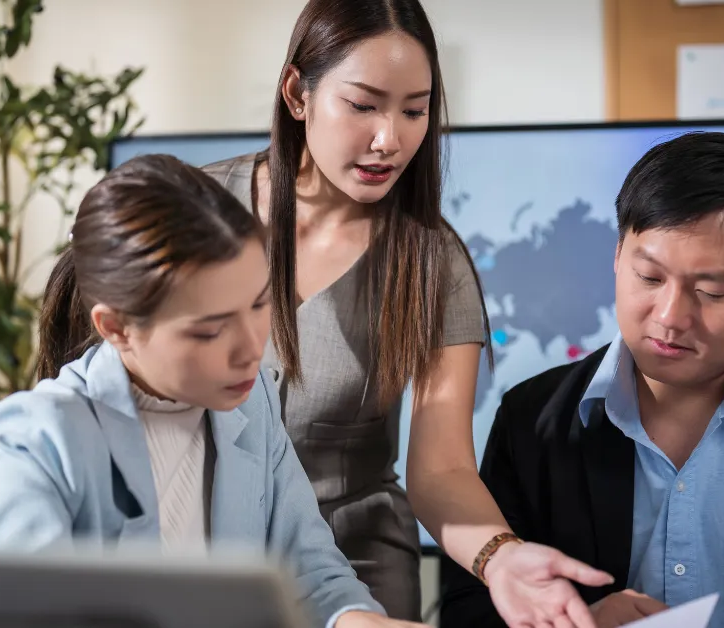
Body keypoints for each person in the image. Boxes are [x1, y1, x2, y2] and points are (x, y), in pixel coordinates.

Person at [197, 0, 614, 624]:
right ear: (297, 92)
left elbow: (441, 468)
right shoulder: (192, 209)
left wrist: (500, 557)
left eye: (414, 110)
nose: (390, 139)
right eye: (363, 105)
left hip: (355, 573)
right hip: (197, 562)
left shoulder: (432, 262)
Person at [0, 154, 422, 628]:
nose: (251, 349)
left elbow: (309, 572)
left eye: (260, 304)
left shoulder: (253, 402)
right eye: (209, 331)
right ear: (117, 327)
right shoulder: (35, 436)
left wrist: (358, 619)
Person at [438, 132, 724, 628]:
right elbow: (466, 611)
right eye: (650, 279)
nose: (671, 316)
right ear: (617, 257)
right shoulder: (532, 421)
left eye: (710, 292)